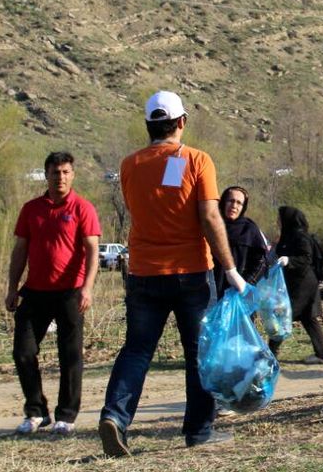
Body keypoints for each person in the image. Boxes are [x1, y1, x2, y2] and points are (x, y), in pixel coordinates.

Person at [100, 91, 244, 457]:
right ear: (181, 122)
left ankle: (115, 417)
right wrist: (231, 269)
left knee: (136, 350)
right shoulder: (197, 160)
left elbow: (137, 208)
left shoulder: (129, 164)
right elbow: (211, 217)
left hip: (144, 272)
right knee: (199, 352)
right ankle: (199, 431)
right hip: (192, 272)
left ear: (149, 125)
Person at [6, 151, 101, 436]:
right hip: (35, 292)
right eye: (55, 172)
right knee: (23, 352)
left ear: (72, 175)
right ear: (46, 175)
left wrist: (87, 287)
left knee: (70, 356)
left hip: (70, 293)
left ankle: (66, 416)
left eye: (65, 172)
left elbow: (93, 250)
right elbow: (20, 250)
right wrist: (12, 287)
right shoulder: (31, 209)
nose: (60, 177)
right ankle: (36, 412)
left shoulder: (83, 208)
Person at [271, 206, 323, 364]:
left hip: (303, 284)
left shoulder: (300, 236)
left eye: (280, 217)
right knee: (308, 318)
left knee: (284, 315)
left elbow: (306, 258)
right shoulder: (288, 235)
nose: (277, 221)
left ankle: (270, 353)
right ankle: (322, 354)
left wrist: (288, 260)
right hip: (297, 283)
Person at [216, 186, 270, 297]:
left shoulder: (249, 229)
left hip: (236, 292)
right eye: (230, 201)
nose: (234, 206)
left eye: (239, 203)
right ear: (223, 202)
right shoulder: (212, 226)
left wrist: (245, 284)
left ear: (243, 207)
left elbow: (260, 263)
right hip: (208, 290)